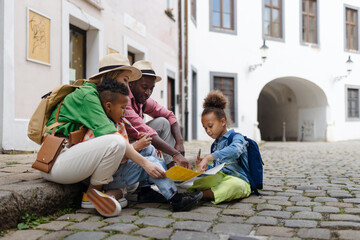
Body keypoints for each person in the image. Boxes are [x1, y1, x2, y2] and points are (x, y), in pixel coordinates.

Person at [41, 54, 165, 217]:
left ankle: (112, 194)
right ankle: (94, 193)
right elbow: (113, 139)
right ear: (111, 76)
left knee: (131, 173)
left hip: (76, 159)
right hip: (55, 161)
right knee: (116, 141)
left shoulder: (101, 96)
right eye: (126, 80)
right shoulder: (88, 95)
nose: (127, 87)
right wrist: (146, 164)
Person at [81, 78, 202, 212]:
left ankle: (147, 191)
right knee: (149, 161)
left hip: (116, 173)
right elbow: (110, 159)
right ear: (108, 106)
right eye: (122, 108)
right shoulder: (103, 129)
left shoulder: (118, 123)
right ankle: (175, 198)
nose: (124, 112)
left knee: (149, 149)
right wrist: (137, 146)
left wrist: (141, 144)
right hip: (107, 178)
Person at [187, 90, 251, 204]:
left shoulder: (237, 137)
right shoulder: (215, 144)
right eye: (205, 128)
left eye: (210, 126)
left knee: (235, 186)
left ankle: (199, 195)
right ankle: (182, 192)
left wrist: (209, 157)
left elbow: (235, 150)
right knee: (197, 180)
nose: (208, 131)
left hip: (238, 179)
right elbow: (217, 169)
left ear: (223, 121)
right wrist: (204, 167)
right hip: (220, 178)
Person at [125, 60, 190, 169]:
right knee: (148, 144)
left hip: (138, 139)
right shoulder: (124, 99)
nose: (148, 93)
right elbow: (144, 130)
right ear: (131, 83)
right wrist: (175, 153)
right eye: (145, 87)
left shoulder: (143, 99)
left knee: (163, 122)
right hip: (125, 145)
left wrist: (180, 143)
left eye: (151, 89)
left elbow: (170, 115)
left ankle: (172, 169)